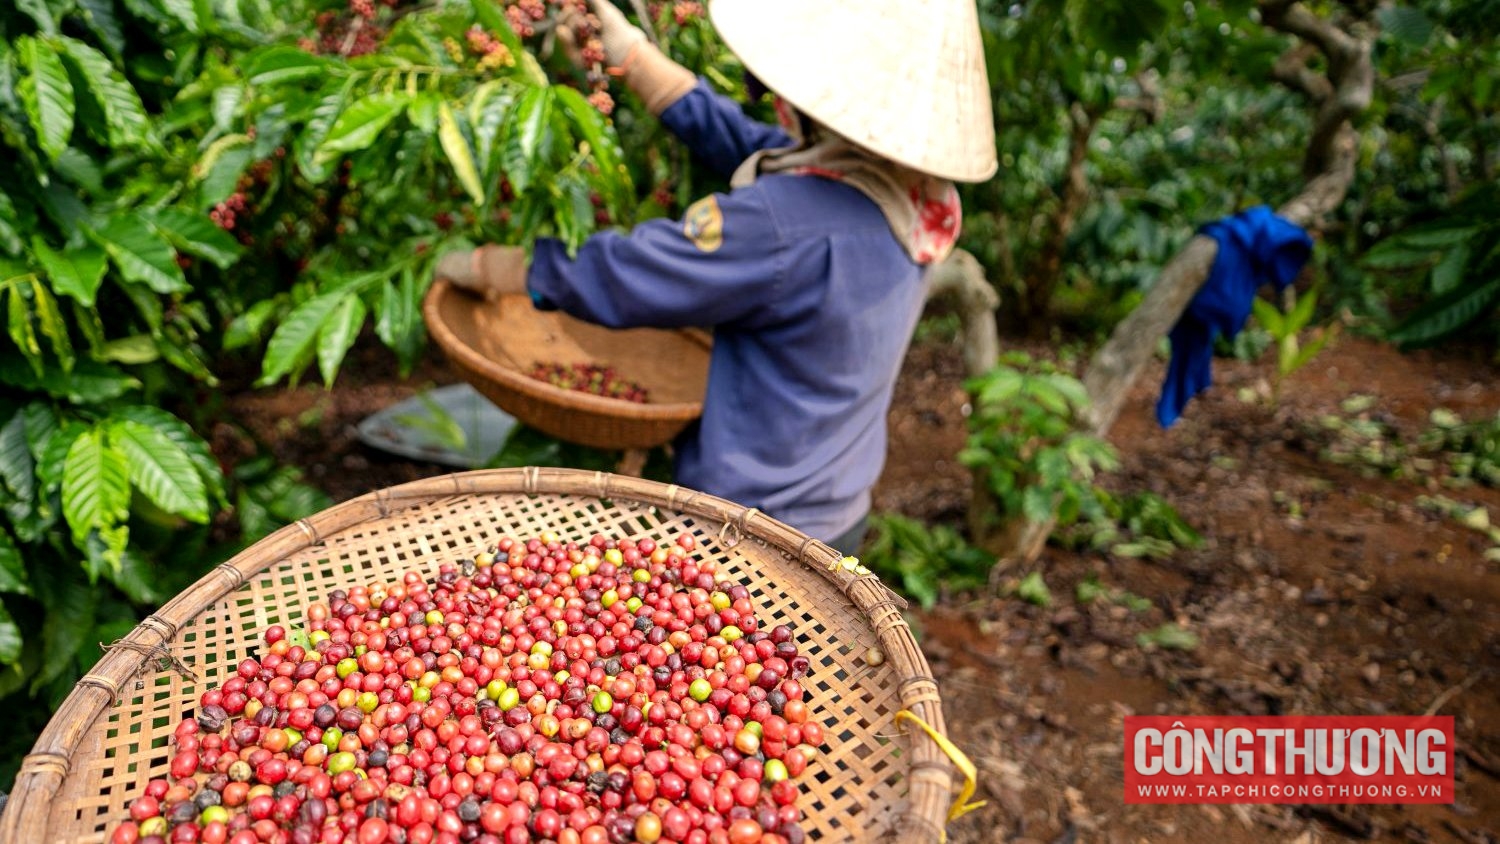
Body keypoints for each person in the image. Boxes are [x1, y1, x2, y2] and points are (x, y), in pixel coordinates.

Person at [436, 0, 996, 552]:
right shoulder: (911, 197)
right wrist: (631, 54)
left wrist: (497, 267)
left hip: (751, 526)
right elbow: (742, 140)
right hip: (838, 503)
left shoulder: (783, 224)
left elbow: (629, 272)